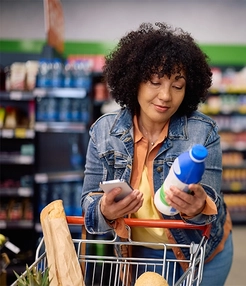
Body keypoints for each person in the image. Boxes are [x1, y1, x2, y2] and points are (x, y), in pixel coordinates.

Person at [81, 22, 233, 285]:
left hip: (199, 255)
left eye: (177, 85)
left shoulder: (203, 132)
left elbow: (210, 201)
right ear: (134, 80)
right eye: (155, 82)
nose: (165, 96)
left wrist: (198, 207)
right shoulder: (103, 132)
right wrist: (104, 210)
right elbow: (88, 205)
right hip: (138, 255)